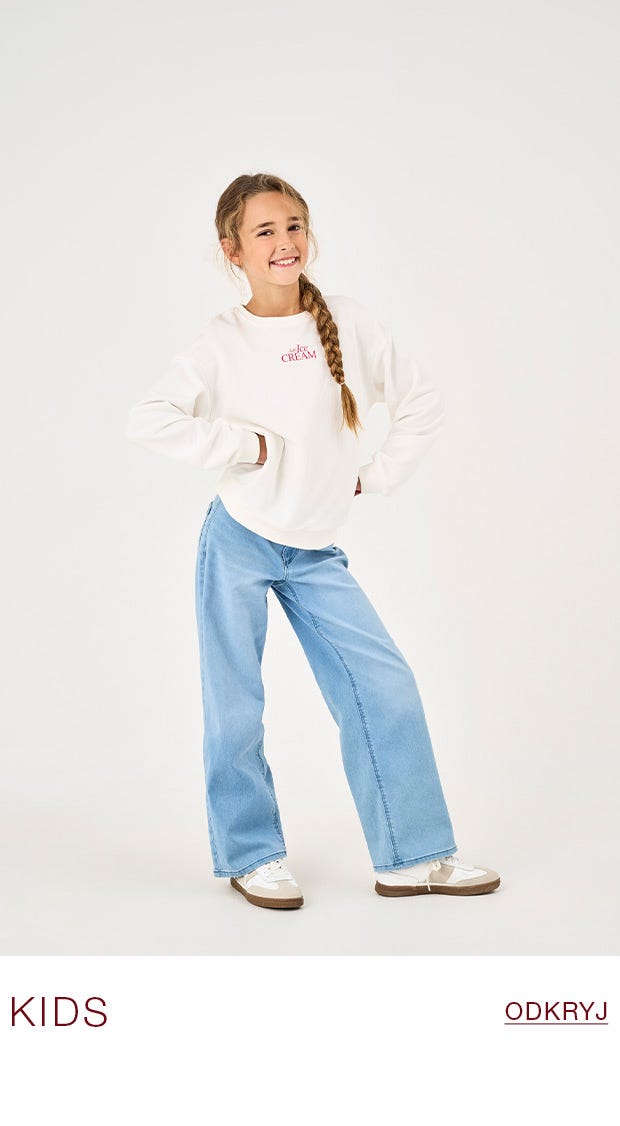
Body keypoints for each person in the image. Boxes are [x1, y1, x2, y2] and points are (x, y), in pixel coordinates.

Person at [125, 171, 500, 911]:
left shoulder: (351, 323)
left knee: (385, 687)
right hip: (239, 538)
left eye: (293, 225)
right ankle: (252, 855)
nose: (283, 241)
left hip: (315, 550)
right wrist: (243, 446)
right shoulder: (220, 340)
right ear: (232, 249)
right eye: (264, 231)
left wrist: (375, 474)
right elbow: (150, 419)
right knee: (235, 706)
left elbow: (421, 403)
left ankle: (413, 856)